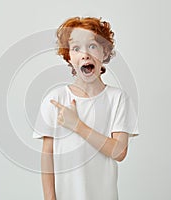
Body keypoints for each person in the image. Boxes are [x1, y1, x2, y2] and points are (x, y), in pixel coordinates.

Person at [32, 16, 139, 200]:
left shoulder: (118, 99)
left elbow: (119, 152)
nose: (85, 54)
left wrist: (77, 125)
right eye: (76, 48)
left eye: (92, 46)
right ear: (69, 57)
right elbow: (47, 156)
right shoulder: (55, 99)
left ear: (104, 53)